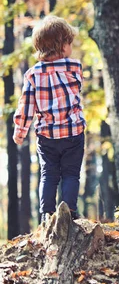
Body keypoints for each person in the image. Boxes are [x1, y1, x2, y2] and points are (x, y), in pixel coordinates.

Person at [13, 15, 86, 222]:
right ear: (62, 46)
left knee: (49, 175)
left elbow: (26, 106)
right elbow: (76, 89)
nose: (71, 47)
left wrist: (20, 132)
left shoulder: (32, 75)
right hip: (73, 133)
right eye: (69, 42)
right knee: (71, 174)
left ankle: (47, 214)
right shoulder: (74, 68)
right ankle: (70, 212)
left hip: (47, 136)